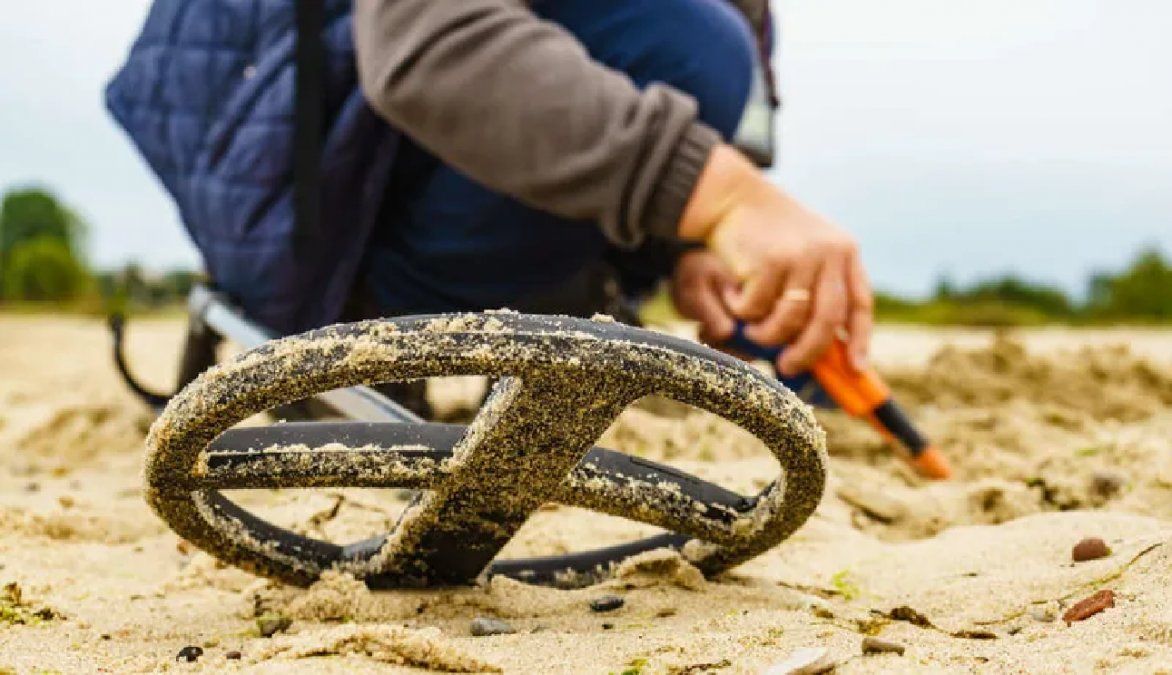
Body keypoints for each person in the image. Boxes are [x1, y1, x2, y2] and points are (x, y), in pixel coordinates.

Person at [108, 0, 872, 401]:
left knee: (696, 37)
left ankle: (576, 287)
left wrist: (689, 248)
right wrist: (724, 197)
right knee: (690, 41)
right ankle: (369, 311)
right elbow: (432, 49)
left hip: (358, 173)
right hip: (307, 207)